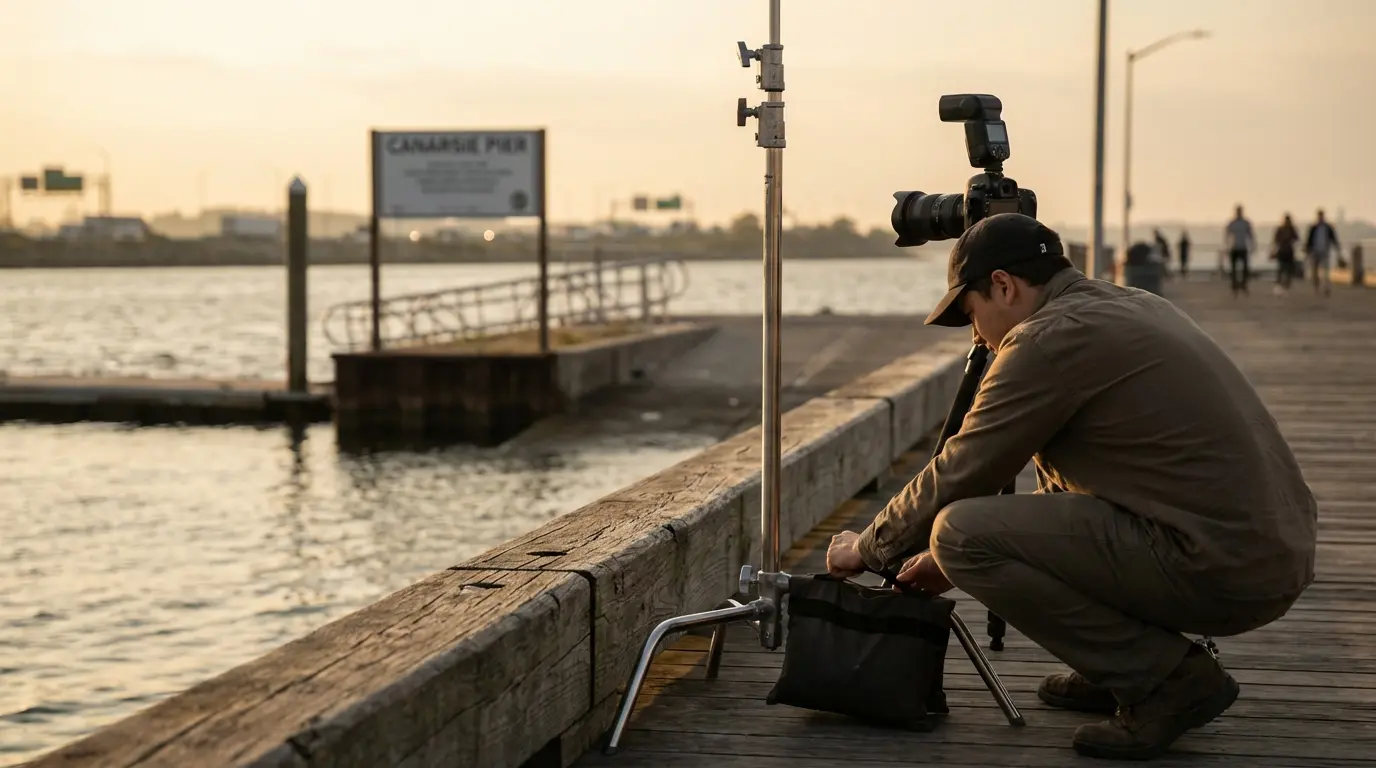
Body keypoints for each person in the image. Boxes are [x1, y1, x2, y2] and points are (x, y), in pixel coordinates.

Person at [826, 213, 1317, 761]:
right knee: (963, 542)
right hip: (1268, 554)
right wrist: (945, 566)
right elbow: (1075, 503)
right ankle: (1120, 671)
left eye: (971, 315)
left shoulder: (1046, 340)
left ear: (1004, 287)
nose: (977, 337)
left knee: (960, 533)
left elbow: (963, 467)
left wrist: (867, 547)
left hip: (1219, 565)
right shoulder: (1134, 305)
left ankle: (1167, 682)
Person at [1304, 209, 1341, 297]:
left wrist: (1337, 247)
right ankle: (1316, 288)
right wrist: (1308, 250)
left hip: (1324, 251)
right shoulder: (1314, 227)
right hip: (1315, 251)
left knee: (1325, 271)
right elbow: (1309, 240)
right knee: (1315, 271)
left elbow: (1333, 238)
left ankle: (1325, 287)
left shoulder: (1328, 227)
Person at [1223, 205, 1255, 296]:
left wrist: (1252, 245)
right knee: (1233, 269)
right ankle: (1234, 286)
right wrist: (1226, 246)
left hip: (1243, 248)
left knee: (1245, 269)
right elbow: (1227, 235)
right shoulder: (1232, 223)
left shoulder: (1245, 223)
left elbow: (1250, 235)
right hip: (1234, 248)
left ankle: (1244, 285)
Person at [1271, 214, 1301, 294]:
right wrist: (1274, 250)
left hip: (1289, 251)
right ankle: (1280, 284)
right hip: (1282, 251)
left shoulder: (1292, 229)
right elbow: (1275, 240)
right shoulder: (1281, 229)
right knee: (1281, 268)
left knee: (1288, 269)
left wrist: (1290, 241)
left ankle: (1286, 284)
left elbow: (1296, 238)